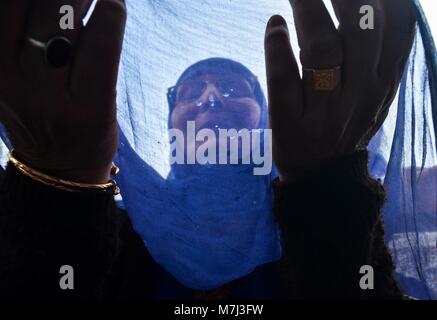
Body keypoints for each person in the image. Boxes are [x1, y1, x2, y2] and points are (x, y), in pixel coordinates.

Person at [0, 0, 416, 299]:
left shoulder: (304, 231)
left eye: (233, 88)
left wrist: (327, 184)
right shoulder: (122, 231)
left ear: (267, 119)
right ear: (167, 126)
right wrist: (56, 183)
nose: (210, 99)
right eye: (191, 91)